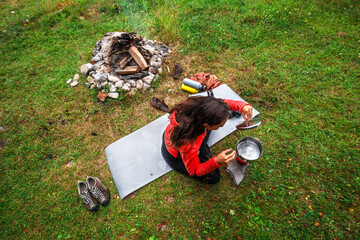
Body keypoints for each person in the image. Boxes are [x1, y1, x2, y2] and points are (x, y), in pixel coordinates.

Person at [161, 96, 253, 184]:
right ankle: (196, 154)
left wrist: (242, 106)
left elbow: (220, 104)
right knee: (215, 177)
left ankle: (198, 153)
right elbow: (194, 171)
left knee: (203, 155)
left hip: (181, 137)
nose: (222, 126)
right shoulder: (188, 143)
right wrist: (216, 161)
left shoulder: (199, 106)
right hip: (175, 157)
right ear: (206, 125)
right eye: (220, 125)